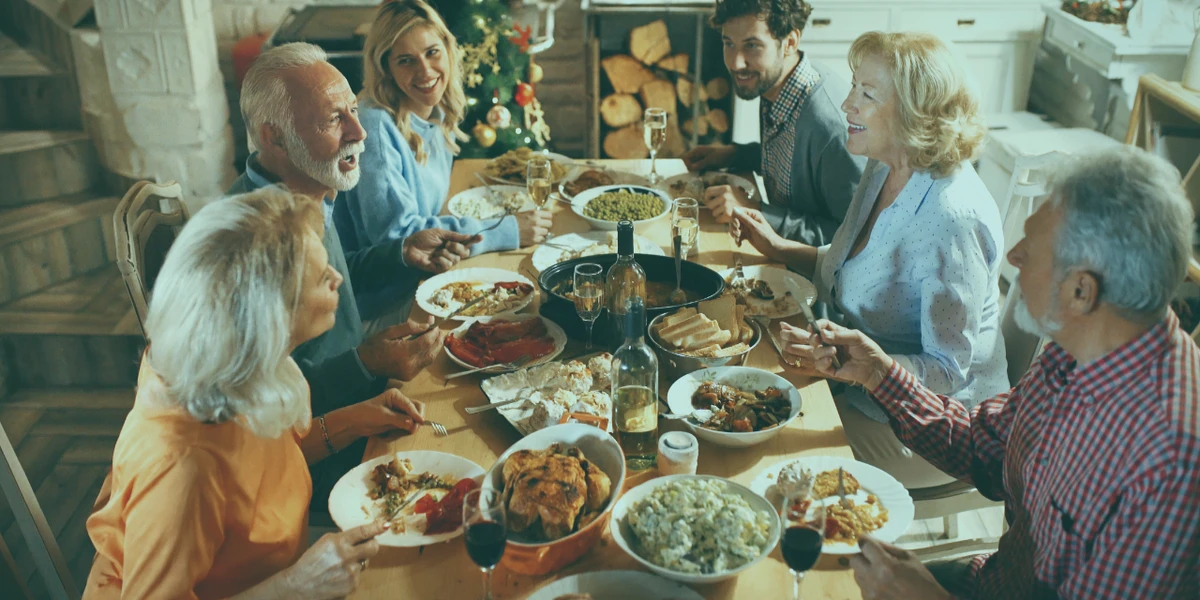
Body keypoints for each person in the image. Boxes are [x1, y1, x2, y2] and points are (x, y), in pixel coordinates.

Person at [794, 146, 1200, 599]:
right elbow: (983, 448)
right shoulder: (1078, 349)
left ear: (1082, 290)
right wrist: (879, 374)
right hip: (992, 583)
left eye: (1033, 250)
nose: (1014, 257)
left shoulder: (1170, 458)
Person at [86, 188, 424, 599]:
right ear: (269, 320)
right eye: (322, 278)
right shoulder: (183, 466)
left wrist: (358, 418)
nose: (338, 278)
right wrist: (295, 586)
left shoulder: (231, 363)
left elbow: (267, 465)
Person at [733, 31, 1009, 489]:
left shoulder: (950, 218)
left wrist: (854, 365)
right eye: (853, 87)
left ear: (916, 110)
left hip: (935, 429)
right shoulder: (885, 164)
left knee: (768, 450)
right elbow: (858, 267)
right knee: (745, 397)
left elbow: (946, 370)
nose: (846, 104)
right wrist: (780, 250)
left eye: (866, 93)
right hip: (862, 385)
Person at [230, 42, 476, 511]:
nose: (359, 132)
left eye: (353, 111)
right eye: (333, 120)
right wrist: (367, 363)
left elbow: (333, 288)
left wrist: (400, 253)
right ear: (275, 138)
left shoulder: (308, 188)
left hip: (365, 401)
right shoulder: (249, 247)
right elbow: (266, 411)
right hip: (313, 465)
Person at [337, 0, 552, 298]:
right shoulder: (374, 126)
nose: (425, 71)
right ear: (385, 67)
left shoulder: (434, 114)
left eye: (431, 52)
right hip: (388, 298)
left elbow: (426, 220)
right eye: (406, 60)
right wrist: (504, 231)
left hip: (429, 276)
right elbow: (401, 239)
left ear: (447, 51)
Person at [682, 0, 864, 246]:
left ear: (789, 42)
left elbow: (854, 240)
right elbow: (792, 163)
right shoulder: (776, 83)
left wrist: (755, 211)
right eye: (729, 44)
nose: (736, 63)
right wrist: (734, 154)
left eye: (752, 46)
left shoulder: (831, 129)